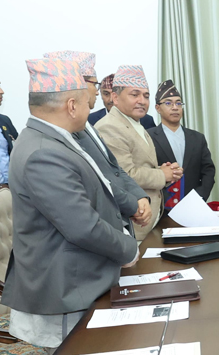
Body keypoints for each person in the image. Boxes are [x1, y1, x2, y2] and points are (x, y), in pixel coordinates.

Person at [2, 58, 138, 351]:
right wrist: (129, 248)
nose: (91, 110)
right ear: (72, 105)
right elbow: (83, 227)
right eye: (88, 103)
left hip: (80, 279)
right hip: (67, 289)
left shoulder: (54, 140)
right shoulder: (43, 153)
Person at [43, 50, 152, 237]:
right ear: (77, 85)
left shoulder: (86, 126)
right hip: (100, 231)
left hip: (118, 224)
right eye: (94, 84)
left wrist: (139, 196)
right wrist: (133, 205)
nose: (97, 91)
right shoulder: (64, 135)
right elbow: (97, 181)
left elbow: (115, 169)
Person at [96, 65, 180, 240]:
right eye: (134, 95)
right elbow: (123, 174)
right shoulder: (110, 126)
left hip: (148, 221)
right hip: (132, 222)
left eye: (146, 96)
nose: (142, 101)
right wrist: (162, 175)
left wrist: (164, 171)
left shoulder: (135, 123)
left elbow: (139, 163)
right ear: (115, 97)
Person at [148, 80, 217, 209]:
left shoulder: (197, 138)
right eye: (168, 103)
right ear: (158, 108)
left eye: (178, 103)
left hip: (193, 205)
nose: (175, 107)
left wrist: (199, 198)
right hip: (161, 207)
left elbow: (208, 171)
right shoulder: (148, 137)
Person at [89, 73, 155, 129]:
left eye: (115, 95)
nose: (111, 99)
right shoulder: (91, 119)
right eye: (106, 94)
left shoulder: (146, 120)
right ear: (100, 94)